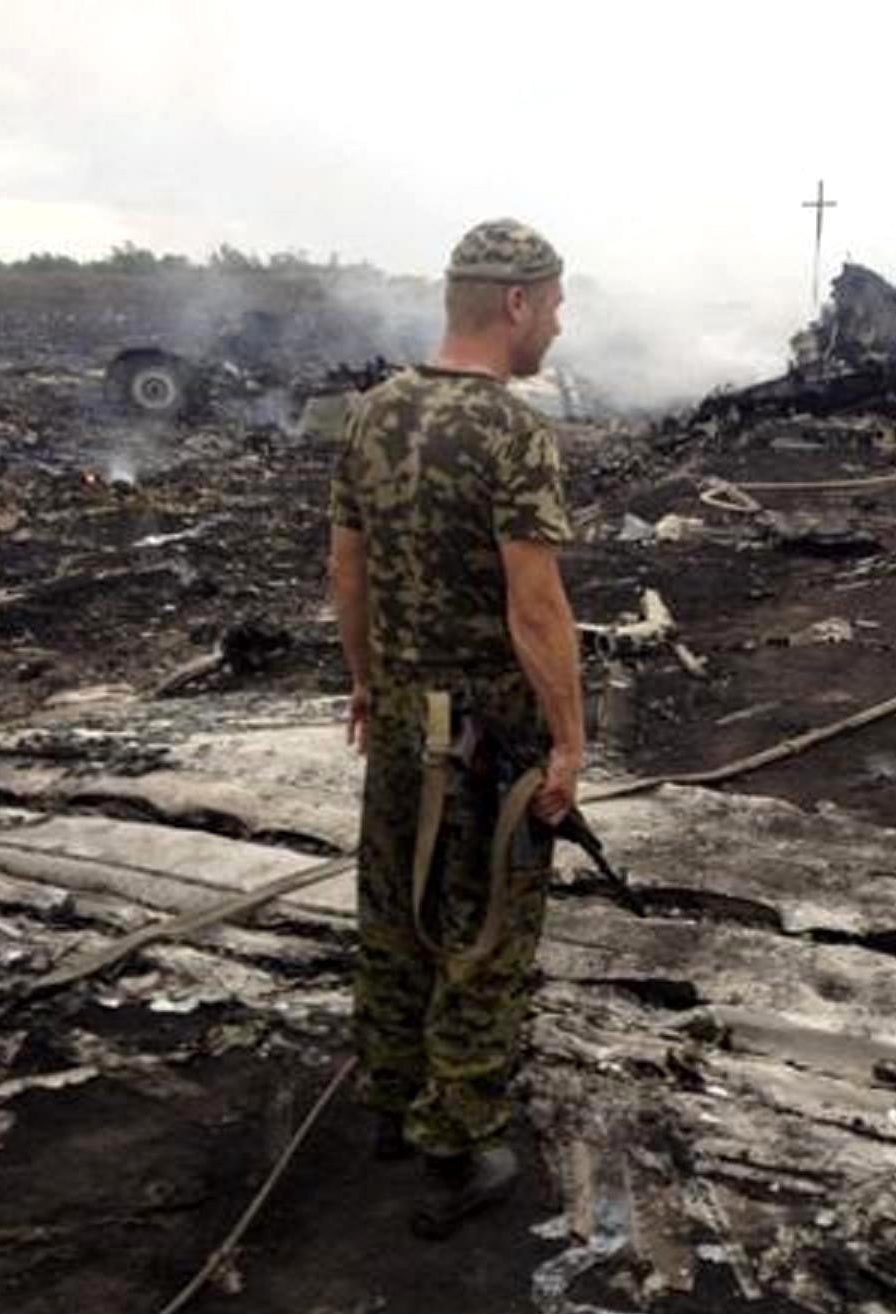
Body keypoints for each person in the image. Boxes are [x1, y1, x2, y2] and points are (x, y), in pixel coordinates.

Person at [326, 219, 583, 1240]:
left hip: (395, 716)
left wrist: (364, 683)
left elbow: (345, 570)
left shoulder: (372, 414)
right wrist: (568, 740)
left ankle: (392, 1102)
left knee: (393, 909)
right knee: (483, 931)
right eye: (555, 305)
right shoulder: (515, 433)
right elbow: (536, 608)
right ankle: (460, 1138)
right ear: (516, 304)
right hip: (487, 732)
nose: (558, 326)